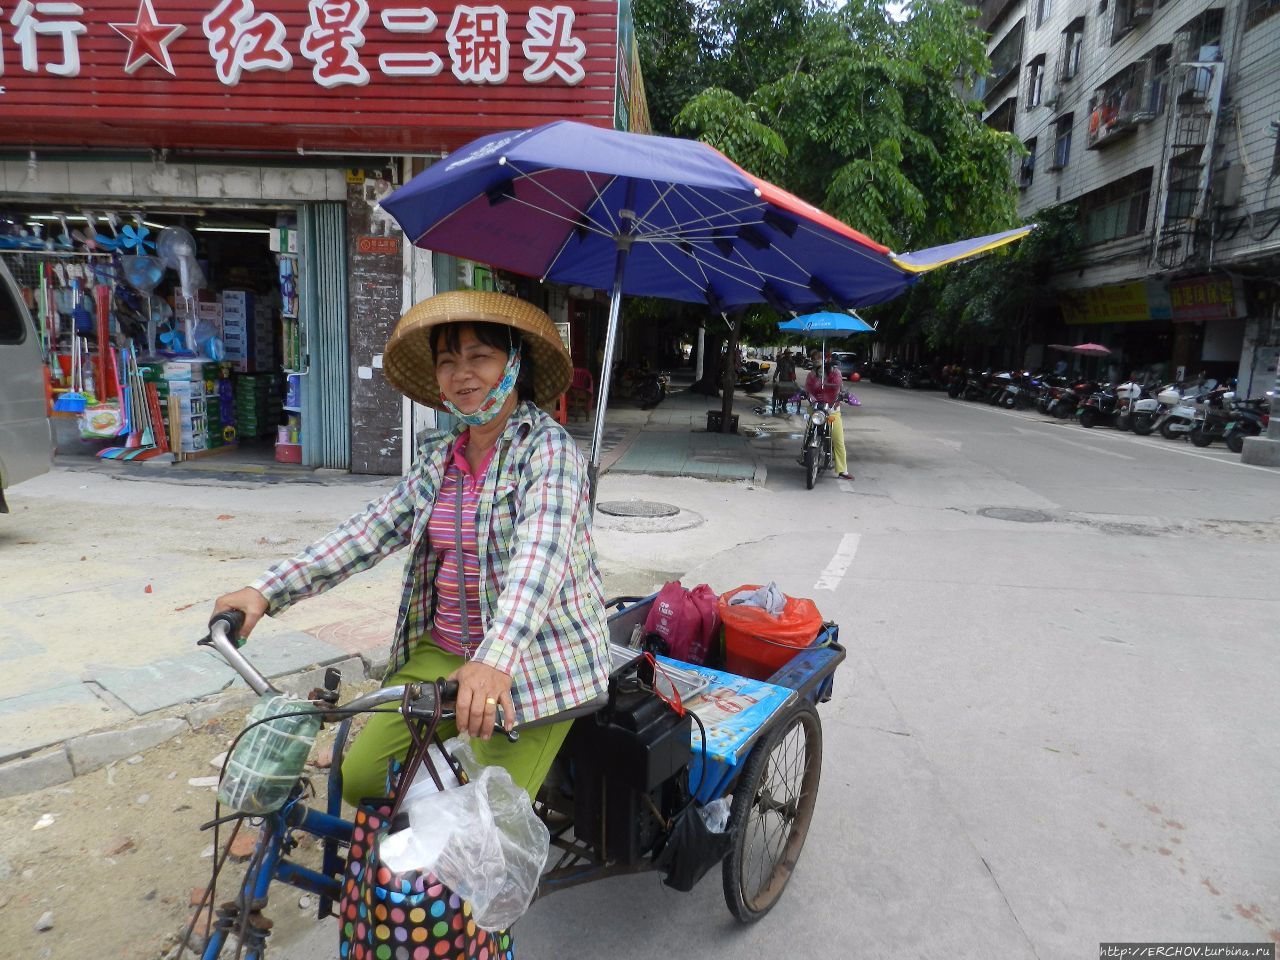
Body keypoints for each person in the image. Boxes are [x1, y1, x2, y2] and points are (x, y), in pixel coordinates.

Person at [212, 290, 611, 806]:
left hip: (531, 662)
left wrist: (496, 658)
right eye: (448, 362)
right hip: (442, 652)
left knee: (479, 831)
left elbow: (541, 559)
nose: (462, 374)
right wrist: (267, 591)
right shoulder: (440, 459)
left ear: (515, 363)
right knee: (362, 782)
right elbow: (367, 532)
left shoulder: (549, 451)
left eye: (479, 357)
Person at [804, 348, 853, 480]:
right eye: (813, 359)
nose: (815, 361)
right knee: (808, 431)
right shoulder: (812, 374)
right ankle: (805, 454)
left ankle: (843, 470)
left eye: (818, 358)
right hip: (816, 408)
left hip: (832, 409)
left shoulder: (835, 372)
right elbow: (808, 389)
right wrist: (807, 395)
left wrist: (843, 396)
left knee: (838, 439)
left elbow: (840, 388)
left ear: (825, 359)